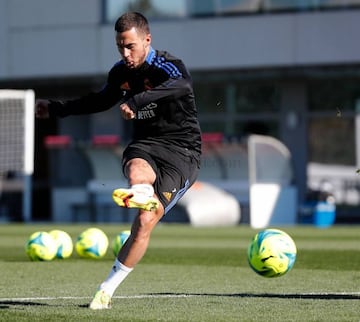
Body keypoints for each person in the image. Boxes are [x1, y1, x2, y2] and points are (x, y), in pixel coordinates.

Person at [35, 12, 202, 309]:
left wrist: (137, 101)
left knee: (145, 222)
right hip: (147, 145)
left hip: (183, 151)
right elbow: (98, 101)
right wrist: (56, 109)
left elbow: (183, 86)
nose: (125, 54)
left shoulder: (167, 65)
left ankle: (110, 282)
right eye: (120, 47)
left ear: (147, 40)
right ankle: (139, 194)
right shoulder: (120, 72)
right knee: (136, 167)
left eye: (131, 46)